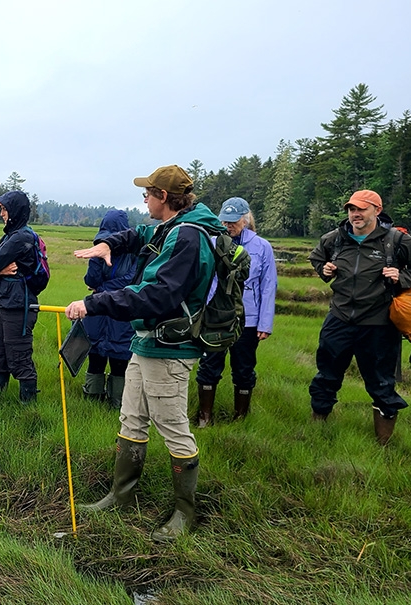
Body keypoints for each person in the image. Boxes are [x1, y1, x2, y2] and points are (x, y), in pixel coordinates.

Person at [64, 165, 225, 542]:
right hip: (146, 341)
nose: (145, 201)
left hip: (170, 348)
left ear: (163, 197)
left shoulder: (188, 236)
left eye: (148, 194)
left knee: (172, 427)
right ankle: (122, 496)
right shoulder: (171, 226)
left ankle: (185, 513)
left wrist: (94, 303)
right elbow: (138, 234)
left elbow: (158, 295)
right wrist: (109, 244)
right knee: (132, 419)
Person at [307, 189, 411, 445]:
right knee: (326, 377)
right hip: (339, 318)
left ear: (377, 211)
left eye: (361, 209)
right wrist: (324, 270)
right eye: (351, 209)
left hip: (379, 323)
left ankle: (383, 446)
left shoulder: (397, 241)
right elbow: (316, 258)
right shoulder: (335, 239)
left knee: (382, 384)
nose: (355, 214)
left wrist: (401, 277)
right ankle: (317, 431)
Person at [195, 197, 277, 426]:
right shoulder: (211, 242)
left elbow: (268, 286)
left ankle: (240, 418)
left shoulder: (262, 246)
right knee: (209, 365)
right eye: (225, 221)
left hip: (248, 320)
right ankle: (204, 417)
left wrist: (265, 324)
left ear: (245, 220)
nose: (228, 226)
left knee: (244, 368)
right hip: (215, 317)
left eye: (233, 221)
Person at [0, 190, 40, 403]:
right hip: (5, 303)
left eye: (4, 209)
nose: (1, 214)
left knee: (19, 357)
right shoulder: (10, 236)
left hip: (18, 307)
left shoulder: (21, 238)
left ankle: (28, 409)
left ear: (15, 211)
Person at [82, 209, 137, 408]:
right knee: (95, 356)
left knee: (119, 360)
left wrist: (102, 289)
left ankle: (118, 402)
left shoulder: (135, 254)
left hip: (121, 314)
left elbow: (130, 281)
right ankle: (91, 399)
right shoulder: (99, 249)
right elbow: (91, 280)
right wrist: (96, 258)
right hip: (97, 314)